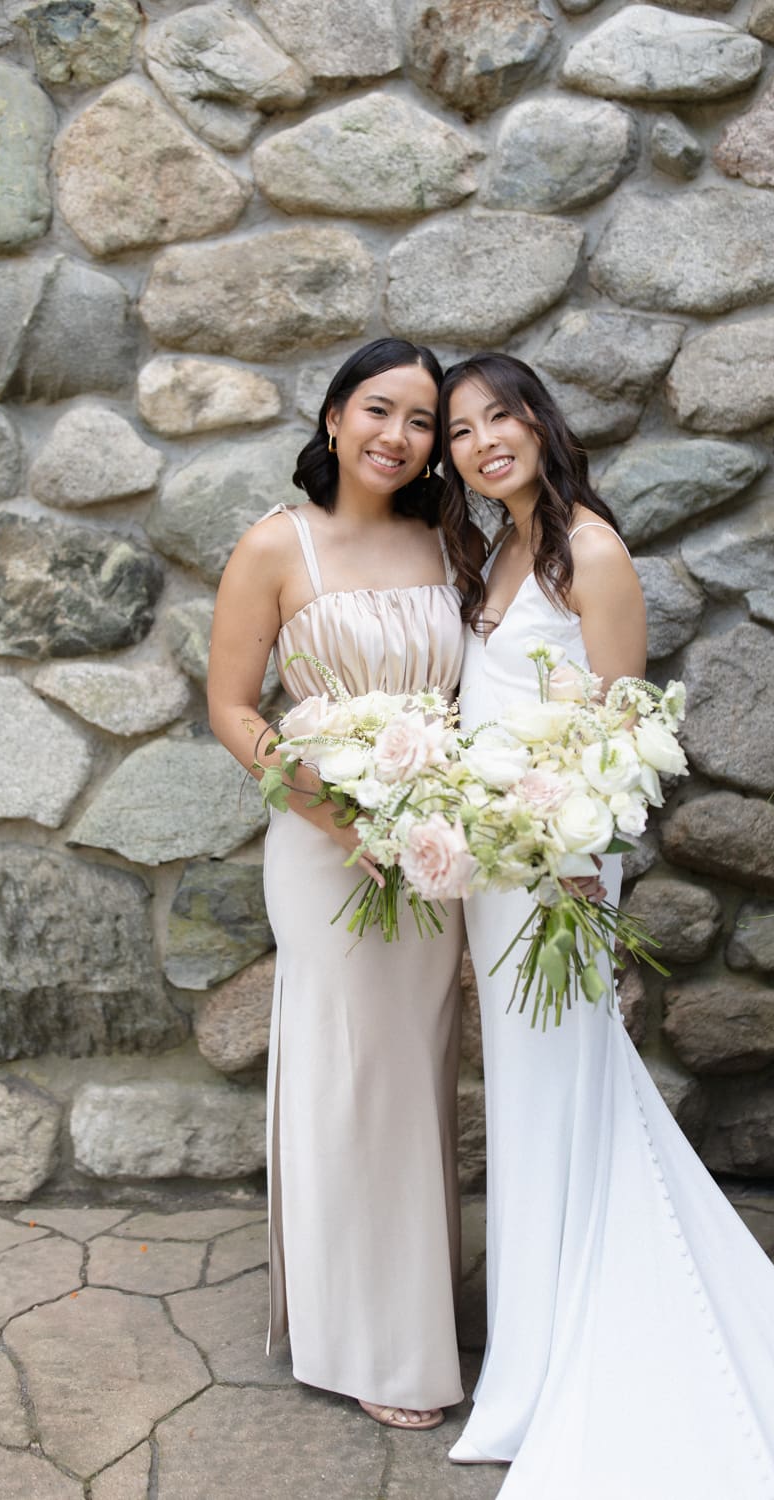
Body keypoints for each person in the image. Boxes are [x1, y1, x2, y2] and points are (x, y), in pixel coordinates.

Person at [438, 352, 774, 1497]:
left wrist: (576, 871)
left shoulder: (591, 549)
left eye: (499, 416)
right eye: (461, 431)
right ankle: (538, 1340)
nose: (482, 441)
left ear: (539, 420)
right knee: (529, 1097)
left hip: (559, 868)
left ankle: (567, 1352)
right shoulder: (497, 550)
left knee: (561, 1085)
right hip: (493, 868)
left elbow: (617, 740)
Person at [208, 339, 465, 1432]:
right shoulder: (276, 545)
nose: (396, 437)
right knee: (350, 1074)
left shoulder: (445, 540)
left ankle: (412, 1313)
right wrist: (336, 813)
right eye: (378, 409)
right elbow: (232, 707)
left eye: (420, 421)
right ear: (331, 417)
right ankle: (360, 1340)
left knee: (416, 1072)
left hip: (436, 848)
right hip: (326, 848)